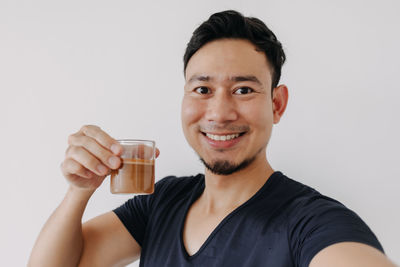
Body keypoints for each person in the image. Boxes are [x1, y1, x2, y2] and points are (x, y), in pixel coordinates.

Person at [28, 10, 396, 267]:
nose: (219, 113)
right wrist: (80, 190)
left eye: (243, 90)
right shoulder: (160, 203)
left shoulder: (311, 221)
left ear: (277, 104)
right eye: (203, 89)